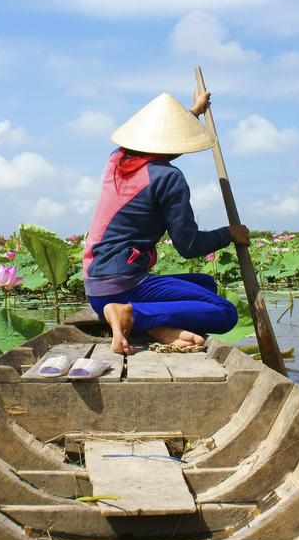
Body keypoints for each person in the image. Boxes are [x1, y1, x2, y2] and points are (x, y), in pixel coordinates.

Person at [82, 88, 250, 355]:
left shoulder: (117, 159)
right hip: (123, 287)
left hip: (96, 287)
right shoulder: (168, 177)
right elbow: (189, 245)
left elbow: (162, 141)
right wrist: (229, 234)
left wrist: (193, 112)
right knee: (225, 311)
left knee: (205, 284)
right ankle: (132, 315)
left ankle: (152, 323)